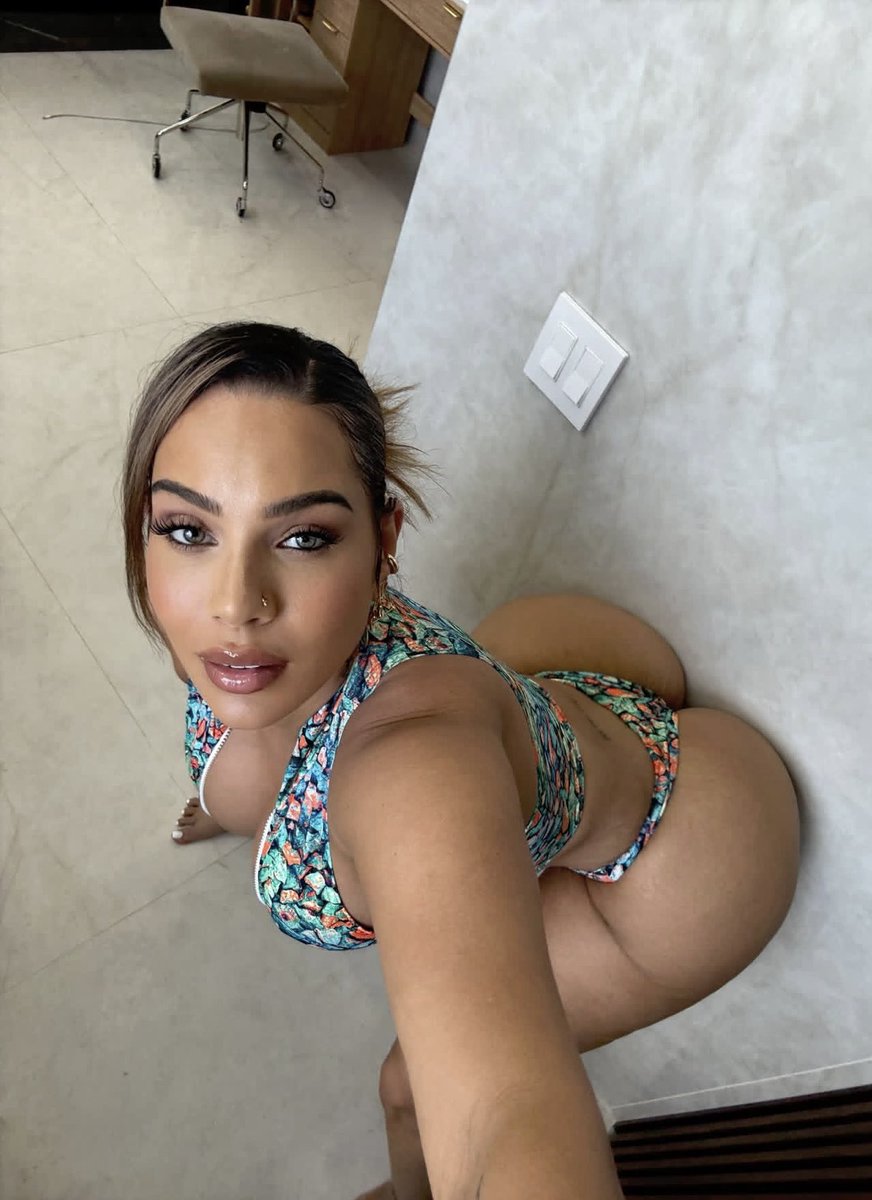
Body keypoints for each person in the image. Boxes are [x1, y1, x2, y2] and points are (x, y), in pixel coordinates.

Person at [121, 321, 800, 1200]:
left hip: (687, 850)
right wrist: (228, 802)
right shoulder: (236, 650)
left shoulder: (416, 767)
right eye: (188, 529)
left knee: (407, 1090)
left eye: (303, 538)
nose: (235, 605)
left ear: (384, 541)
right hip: (560, 691)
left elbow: (503, 1122)